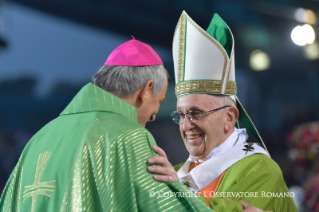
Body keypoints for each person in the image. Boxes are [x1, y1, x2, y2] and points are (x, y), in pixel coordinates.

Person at [0, 37, 214, 212]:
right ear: (147, 89)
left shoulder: (38, 139)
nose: (154, 117)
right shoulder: (128, 136)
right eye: (159, 101)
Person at [147, 11, 298, 212]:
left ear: (230, 117)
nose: (186, 125)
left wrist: (175, 192)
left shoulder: (260, 170)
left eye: (196, 113)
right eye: (181, 115)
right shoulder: (174, 174)